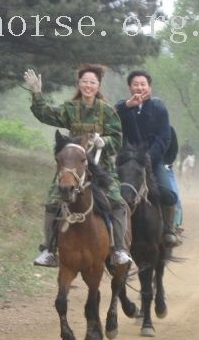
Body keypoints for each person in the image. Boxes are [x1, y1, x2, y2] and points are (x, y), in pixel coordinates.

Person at [24, 64, 133, 267]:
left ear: (98, 85)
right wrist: (37, 93)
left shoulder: (107, 111)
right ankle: (49, 249)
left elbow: (117, 139)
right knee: (53, 201)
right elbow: (45, 114)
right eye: (85, 82)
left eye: (92, 82)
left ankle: (119, 249)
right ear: (79, 84)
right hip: (73, 168)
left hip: (101, 168)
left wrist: (104, 142)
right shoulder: (70, 109)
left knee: (117, 202)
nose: (88, 86)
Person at [115, 70, 180, 247]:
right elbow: (111, 114)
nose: (139, 87)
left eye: (143, 84)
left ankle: (168, 229)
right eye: (135, 84)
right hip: (127, 161)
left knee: (168, 193)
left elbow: (164, 137)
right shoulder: (124, 107)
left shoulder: (159, 108)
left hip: (153, 160)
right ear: (129, 87)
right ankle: (111, 231)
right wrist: (129, 105)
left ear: (149, 87)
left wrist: (149, 157)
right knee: (110, 192)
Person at [165, 126, 184, 233]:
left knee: (175, 196)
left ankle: (175, 225)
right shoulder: (142, 126)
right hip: (143, 165)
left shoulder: (170, 130)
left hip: (165, 167)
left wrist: (167, 163)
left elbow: (174, 150)